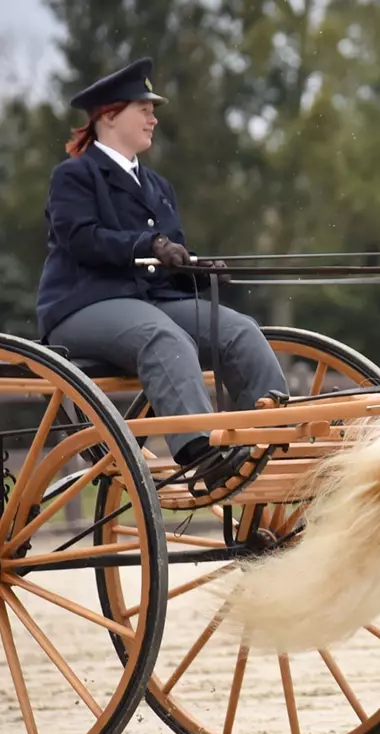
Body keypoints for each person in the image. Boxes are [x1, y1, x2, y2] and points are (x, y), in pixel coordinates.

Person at [35, 57, 290, 494]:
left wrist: (195, 268)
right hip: (84, 304)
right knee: (164, 338)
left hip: (150, 302)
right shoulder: (75, 176)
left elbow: (168, 261)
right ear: (109, 115)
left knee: (241, 332)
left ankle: (272, 439)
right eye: (144, 108)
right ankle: (202, 453)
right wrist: (148, 246)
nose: (154, 117)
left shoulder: (156, 186)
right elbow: (83, 240)